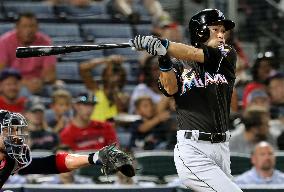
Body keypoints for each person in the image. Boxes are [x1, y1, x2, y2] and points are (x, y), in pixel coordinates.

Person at [129, 8, 243, 191]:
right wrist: (164, 59)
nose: (222, 35)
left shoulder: (226, 54)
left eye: (223, 30)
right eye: (216, 29)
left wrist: (162, 43)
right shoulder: (178, 64)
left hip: (222, 147)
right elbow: (170, 88)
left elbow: (195, 55)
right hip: (193, 148)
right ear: (201, 30)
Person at [0, 110, 134, 188]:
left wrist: (94, 157)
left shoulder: (12, 159)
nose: (15, 137)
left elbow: (52, 163)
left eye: (16, 131)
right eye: (8, 131)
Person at [0, 12, 56, 97]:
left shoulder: (46, 42)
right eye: (24, 26)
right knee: (23, 92)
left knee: (60, 90)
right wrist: (25, 83)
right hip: (13, 82)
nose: (29, 30)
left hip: (38, 83)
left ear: (37, 28)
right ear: (17, 27)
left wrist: (40, 81)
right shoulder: (4, 42)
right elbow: (1, 71)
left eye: (32, 26)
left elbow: (50, 74)